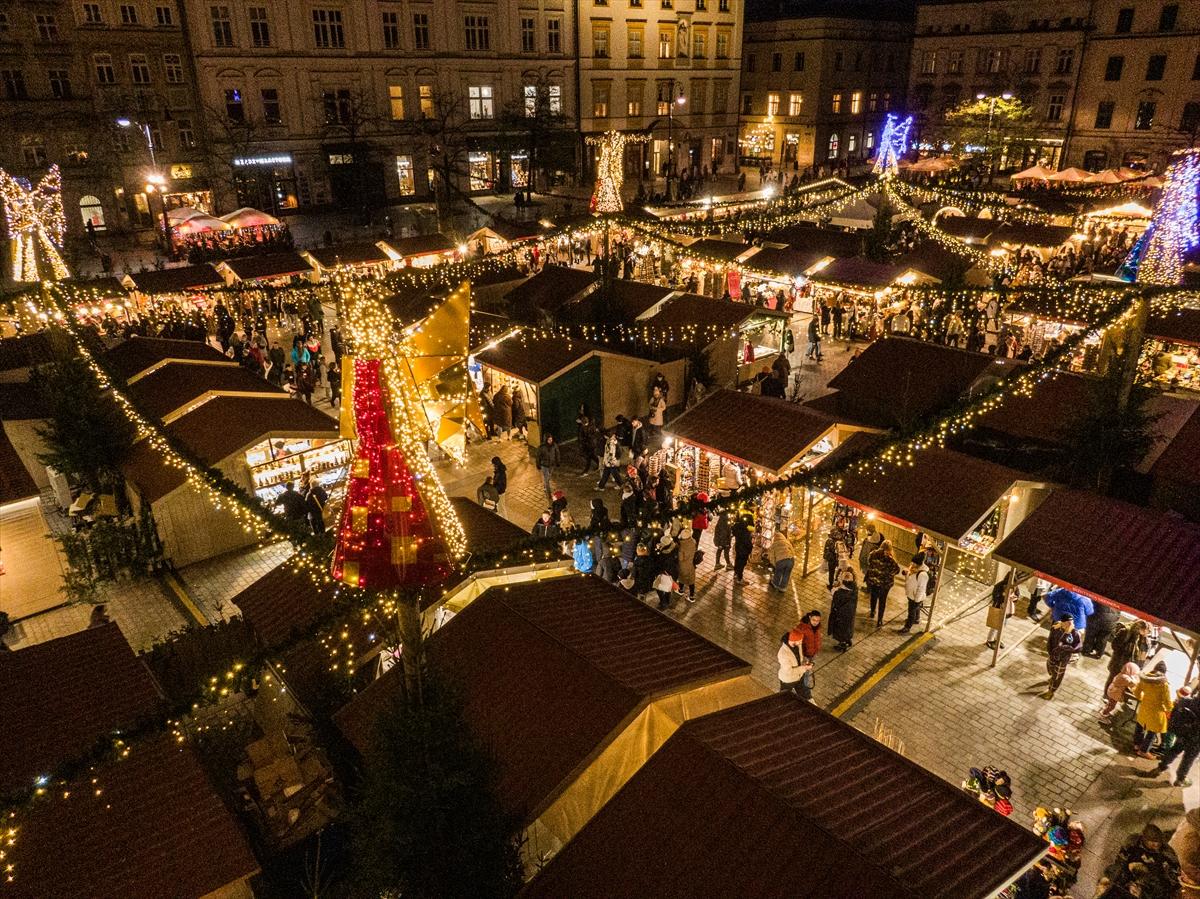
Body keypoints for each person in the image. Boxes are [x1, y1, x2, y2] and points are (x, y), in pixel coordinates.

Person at [1097, 824, 1181, 899]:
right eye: (1153, 841)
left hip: (1152, 881)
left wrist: (1144, 888)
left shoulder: (1166, 853)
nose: (1156, 844)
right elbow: (1121, 861)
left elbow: (1172, 881)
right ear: (1144, 839)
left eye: (1158, 841)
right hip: (1131, 873)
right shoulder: (1133, 842)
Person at [1142, 691, 1200, 787]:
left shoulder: (1185, 701)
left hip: (1182, 733)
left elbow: (1173, 713)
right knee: (1189, 758)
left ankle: (1160, 768)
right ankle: (1180, 779)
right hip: (1196, 739)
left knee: (1174, 750)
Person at [1133, 661, 1174, 758]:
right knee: (1152, 731)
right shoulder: (1164, 685)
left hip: (1144, 707)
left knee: (1140, 726)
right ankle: (1144, 751)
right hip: (1156, 711)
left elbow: (1137, 692)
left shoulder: (1145, 678)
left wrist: (1142, 699)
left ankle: (1137, 745)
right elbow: (1167, 703)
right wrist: (1170, 709)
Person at [1108, 620, 1152, 692]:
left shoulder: (1143, 638)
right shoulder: (1125, 632)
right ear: (1142, 629)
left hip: (1129, 666)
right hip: (1119, 662)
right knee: (1113, 679)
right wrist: (1125, 648)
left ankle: (1117, 695)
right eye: (1148, 631)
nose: (1148, 634)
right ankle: (1107, 695)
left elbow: (1141, 653)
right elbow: (1114, 646)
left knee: (1124, 681)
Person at [865, 540, 900, 628]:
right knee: (882, 601)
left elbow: (869, 563)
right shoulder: (890, 559)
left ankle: (872, 612)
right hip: (884, 584)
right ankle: (879, 620)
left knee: (873, 597)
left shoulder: (873, 554)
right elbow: (897, 570)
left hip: (873, 581)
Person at [1044, 616, 1082, 699]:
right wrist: (1050, 651)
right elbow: (1050, 639)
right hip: (1053, 655)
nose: (1069, 624)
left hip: (1063, 659)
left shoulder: (1074, 633)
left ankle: (1051, 691)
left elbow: (1078, 647)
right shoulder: (1056, 628)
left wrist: (1065, 647)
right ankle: (1052, 677)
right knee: (1050, 667)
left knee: (1057, 675)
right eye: (1067, 622)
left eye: (1070, 623)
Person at [788, 611, 823, 701]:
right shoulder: (802, 628)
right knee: (804, 674)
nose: (815, 622)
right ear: (809, 618)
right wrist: (802, 656)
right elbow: (796, 642)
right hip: (805, 656)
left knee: (806, 673)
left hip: (812, 654)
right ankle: (803, 693)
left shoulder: (817, 627)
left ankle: (803, 691)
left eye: (818, 620)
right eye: (814, 620)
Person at [828, 568, 858, 651]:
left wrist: (835, 590)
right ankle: (847, 640)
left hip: (840, 615)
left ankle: (842, 645)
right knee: (847, 628)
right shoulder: (854, 588)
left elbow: (836, 600)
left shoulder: (840, 592)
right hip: (849, 614)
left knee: (840, 630)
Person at [900, 551, 928, 634]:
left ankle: (907, 627)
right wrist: (907, 573)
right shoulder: (914, 569)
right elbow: (910, 580)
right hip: (912, 595)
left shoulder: (922, 574)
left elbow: (921, 588)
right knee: (916, 609)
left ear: (919, 564)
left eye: (914, 563)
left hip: (915, 597)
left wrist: (917, 600)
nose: (912, 564)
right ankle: (916, 619)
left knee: (911, 612)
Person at [985, 579, 1017, 650]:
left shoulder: (1014, 586)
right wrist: (1002, 597)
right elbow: (995, 597)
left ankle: (997, 639)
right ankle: (989, 640)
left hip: (1007, 611)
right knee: (994, 626)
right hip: (999, 609)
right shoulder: (1000, 586)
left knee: (1002, 627)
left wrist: (1014, 598)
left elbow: (1017, 595)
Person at [777, 631, 811, 698]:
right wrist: (804, 668)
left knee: (805, 694)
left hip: (799, 676)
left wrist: (804, 662)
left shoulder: (798, 644)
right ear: (793, 640)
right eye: (800, 641)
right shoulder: (783, 654)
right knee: (784, 697)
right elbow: (789, 671)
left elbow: (800, 657)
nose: (801, 642)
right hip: (788, 680)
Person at [536, 434, 559, 504]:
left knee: (548, 477)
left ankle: (545, 486)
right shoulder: (542, 447)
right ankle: (549, 494)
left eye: (551, 439)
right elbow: (538, 457)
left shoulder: (554, 445)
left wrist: (558, 461)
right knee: (546, 480)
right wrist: (538, 465)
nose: (550, 441)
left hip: (551, 465)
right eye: (549, 440)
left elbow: (557, 453)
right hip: (544, 465)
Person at [731, 514, 754, 583]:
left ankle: (736, 573)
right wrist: (750, 549)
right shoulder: (745, 530)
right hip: (744, 549)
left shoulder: (738, 526)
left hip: (738, 547)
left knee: (737, 560)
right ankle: (739, 578)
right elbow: (747, 542)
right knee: (742, 563)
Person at [676, 531, 698, 603]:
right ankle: (692, 596)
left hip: (684, 565)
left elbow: (681, 558)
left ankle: (680, 590)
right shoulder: (693, 541)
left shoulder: (682, 546)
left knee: (682, 577)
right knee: (691, 580)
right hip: (691, 564)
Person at [577, 408, 600, 473]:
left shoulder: (590, 426)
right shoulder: (583, 427)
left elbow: (594, 434)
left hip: (591, 444)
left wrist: (588, 438)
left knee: (589, 457)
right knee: (591, 456)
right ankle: (598, 464)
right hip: (587, 444)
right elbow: (581, 437)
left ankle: (586, 470)